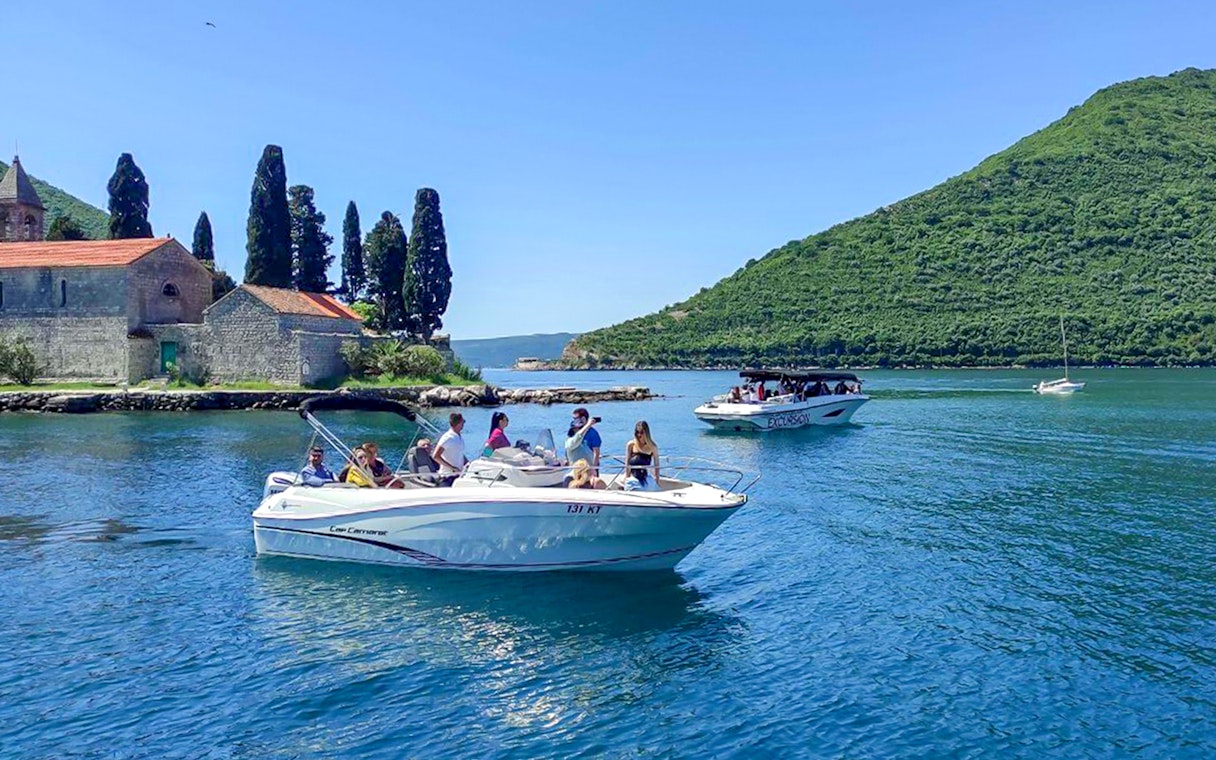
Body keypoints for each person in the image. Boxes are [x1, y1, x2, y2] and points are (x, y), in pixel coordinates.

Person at [623, 420, 660, 492]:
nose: (639, 435)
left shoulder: (652, 447)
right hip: (633, 478)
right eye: (637, 432)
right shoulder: (631, 444)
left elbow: (657, 466)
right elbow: (627, 464)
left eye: (641, 432)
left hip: (646, 478)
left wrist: (657, 481)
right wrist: (626, 478)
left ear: (646, 433)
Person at [433, 412, 467, 487]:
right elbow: (436, 456)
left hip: (458, 475)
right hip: (447, 477)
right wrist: (452, 468)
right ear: (459, 423)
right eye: (463, 422)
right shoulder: (448, 437)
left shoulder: (459, 437)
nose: (463, 424)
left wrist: (467, 463)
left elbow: (459, 453)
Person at [564, 409, 601, 475]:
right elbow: (569, 447)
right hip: (577, 468)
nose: (574, 421)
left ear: (583, 419)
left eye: (576, 418)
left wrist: (593, 468)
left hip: (589, 468)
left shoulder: (592, 433)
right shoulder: (574, 432)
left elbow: (596, 452)